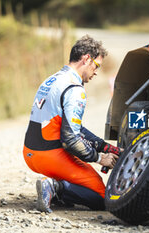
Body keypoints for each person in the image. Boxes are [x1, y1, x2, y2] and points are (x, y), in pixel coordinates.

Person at [23, 35, 122, 213]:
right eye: (96, 66)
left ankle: (57, 190)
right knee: (103, 198)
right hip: (50, 155)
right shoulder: (75, 88)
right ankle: (56, 187)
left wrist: (106, 147)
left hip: (30, 153)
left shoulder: (52, 79)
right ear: (86, 59)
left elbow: (74, 128)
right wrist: (100, 158)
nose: (96, 72)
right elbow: (70, 138)